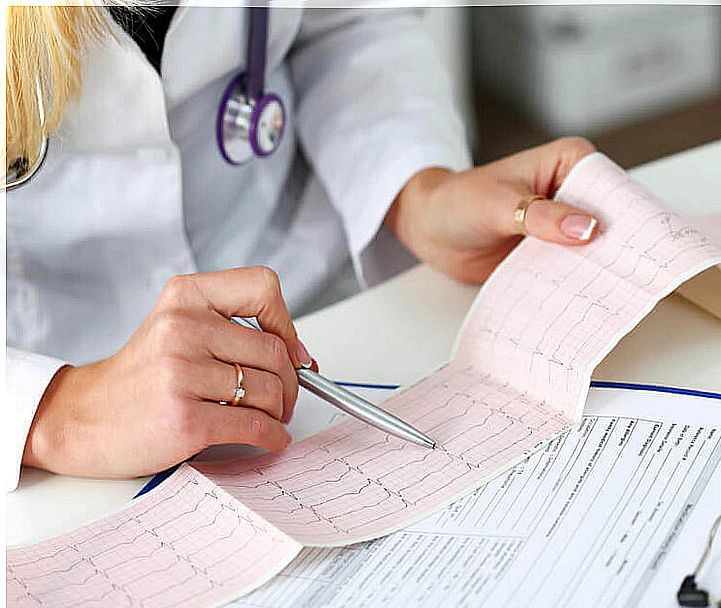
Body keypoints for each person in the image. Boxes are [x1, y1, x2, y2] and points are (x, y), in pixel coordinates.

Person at [6, 5, 600, 491]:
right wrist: (56, 414)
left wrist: (416, 192)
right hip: (57, 438)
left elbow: (346, 22)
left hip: (316, 324)